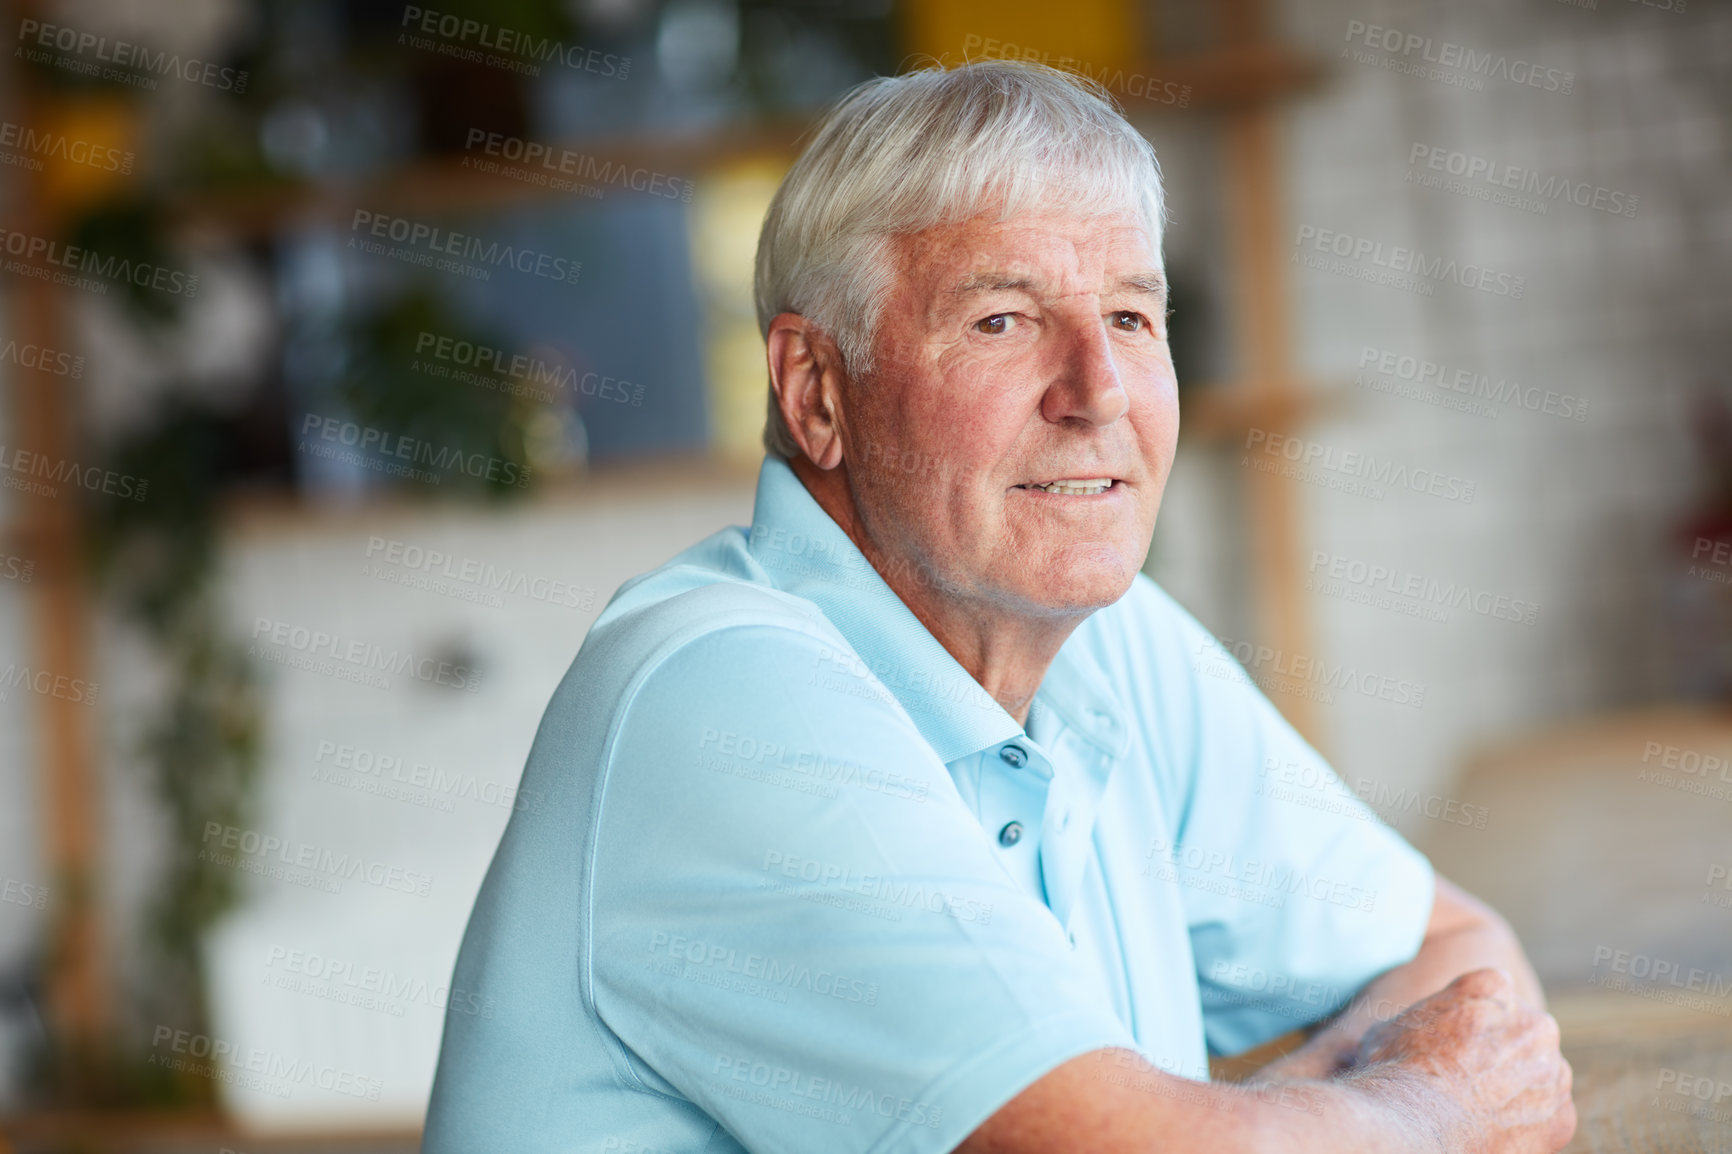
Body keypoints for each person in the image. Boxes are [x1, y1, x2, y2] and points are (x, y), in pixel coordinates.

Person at [423, 59, 1574, 1154]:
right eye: (1001, 320)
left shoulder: (1104, 642)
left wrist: (1251, 1126)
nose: (1098, 391)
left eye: (1130, 316)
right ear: (816, 392)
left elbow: (1464, 964)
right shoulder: (714, 689)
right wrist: (1421, 1113)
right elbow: (1459, 1077)